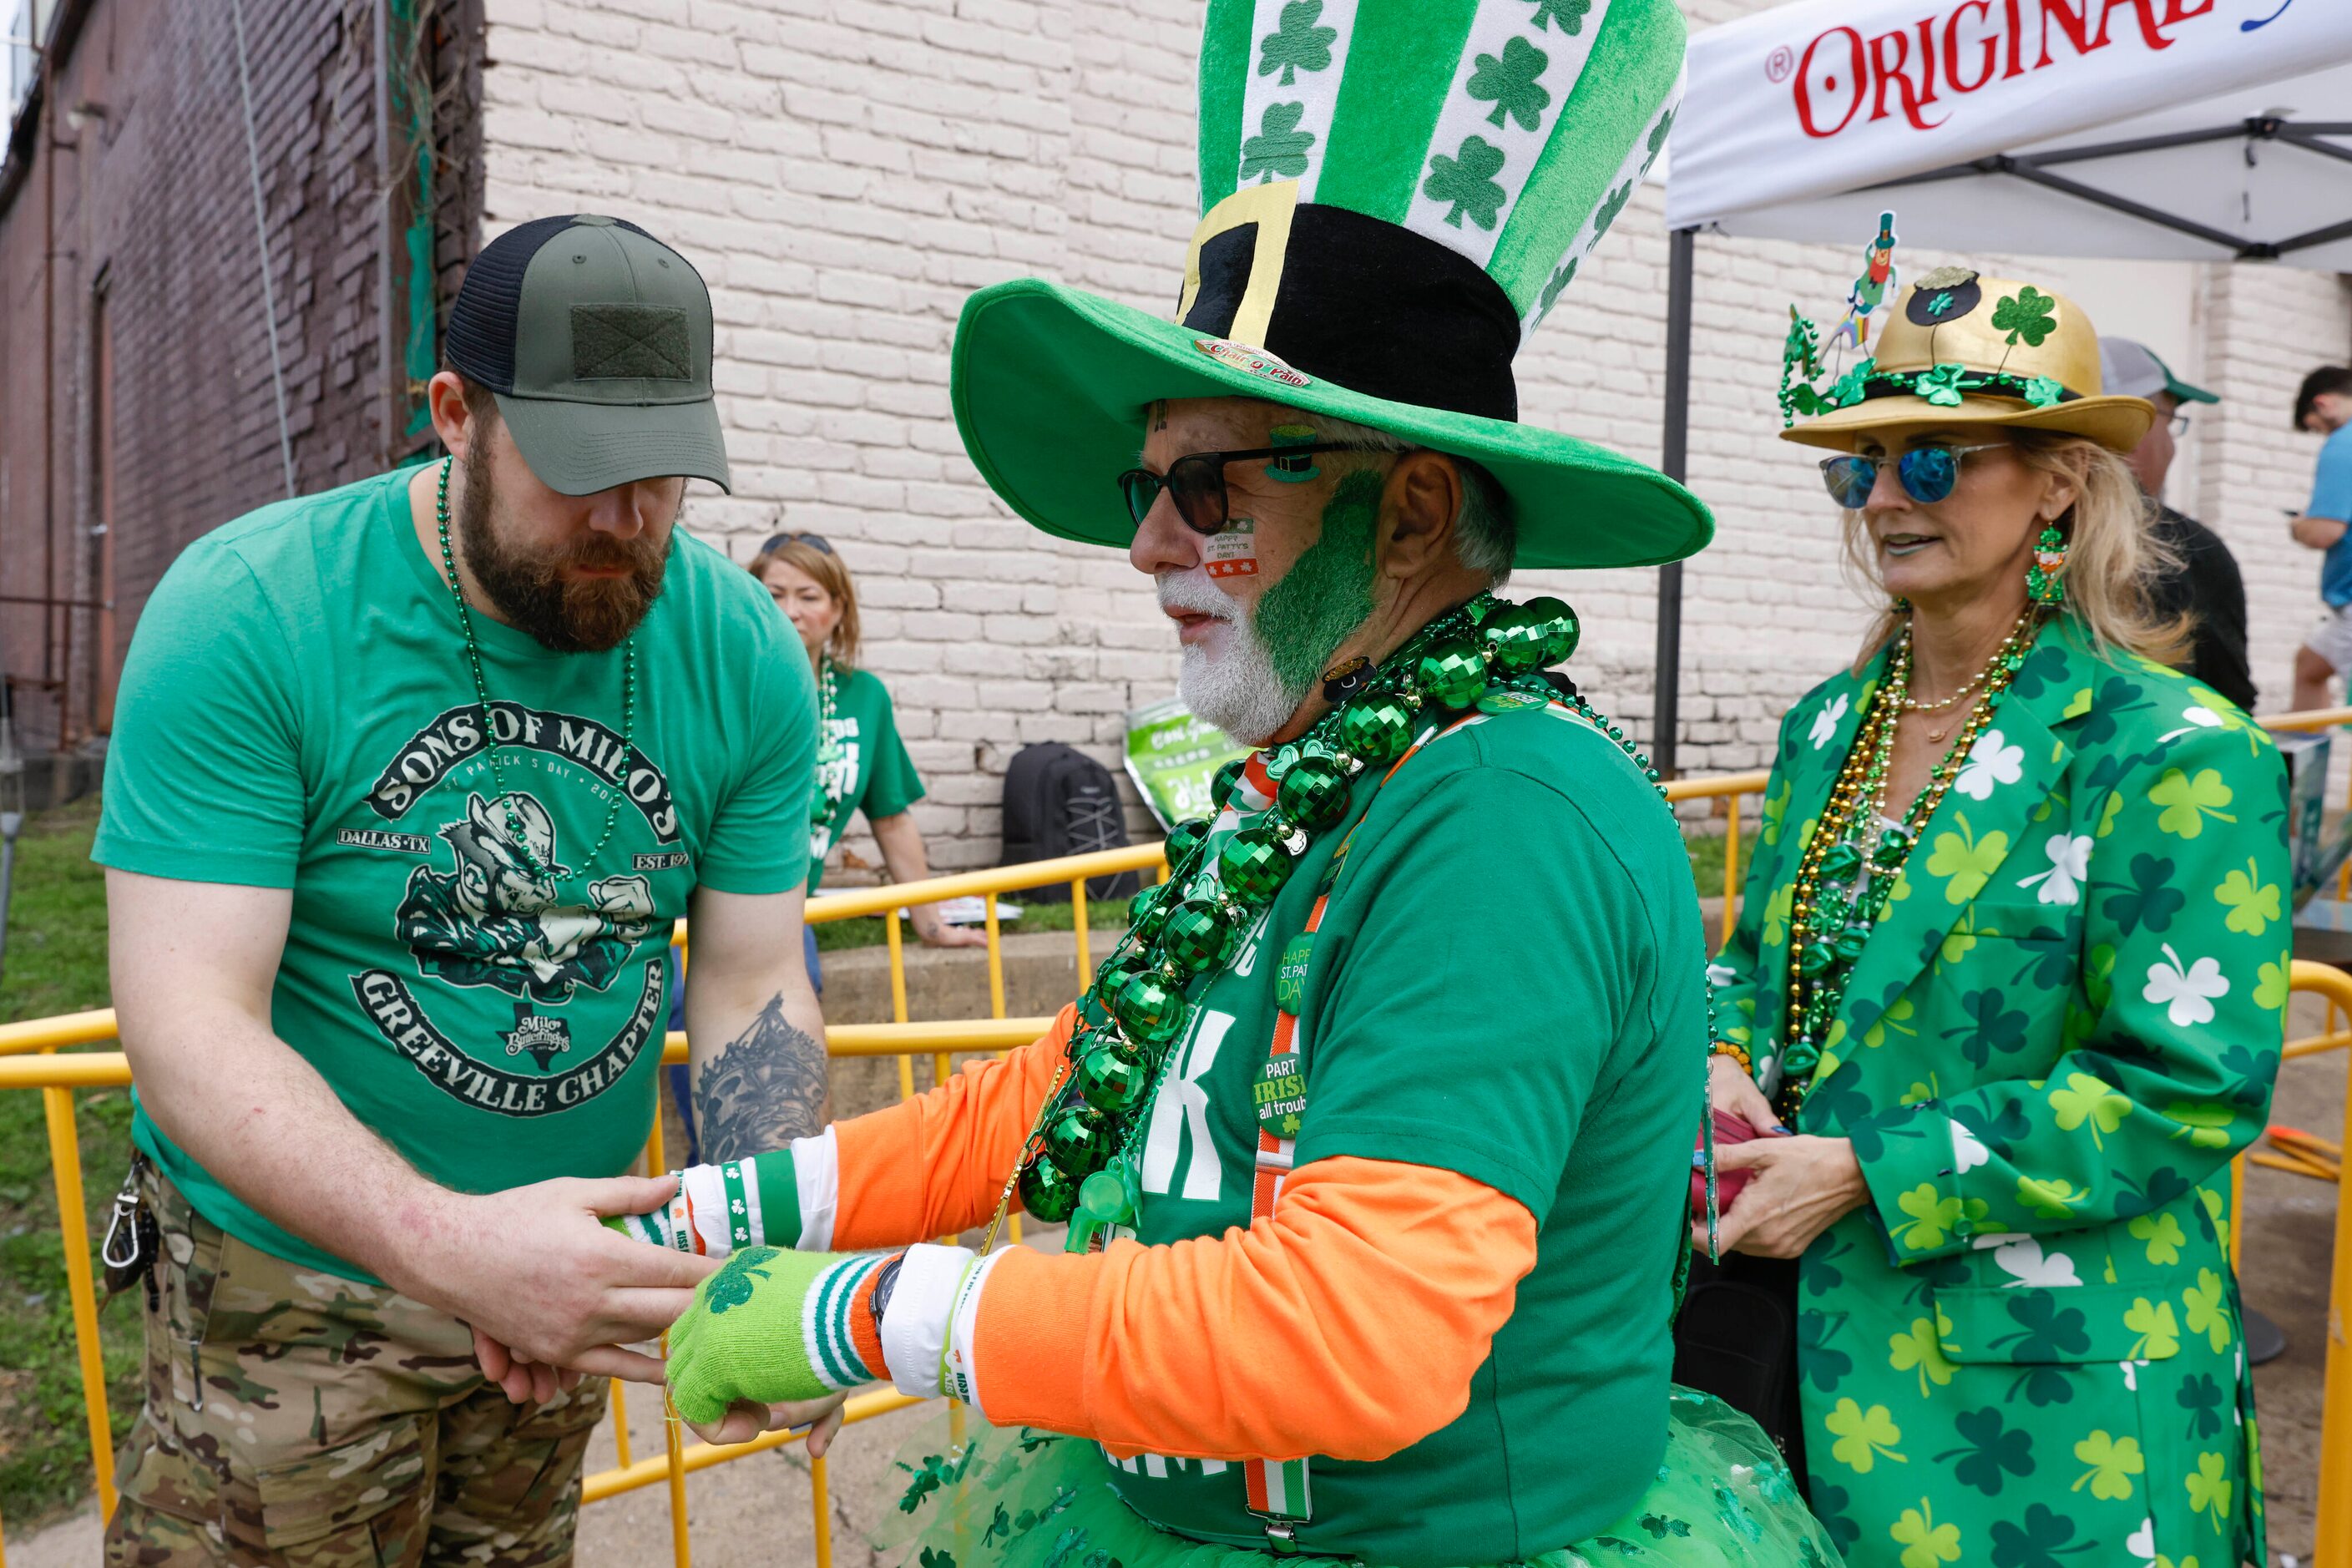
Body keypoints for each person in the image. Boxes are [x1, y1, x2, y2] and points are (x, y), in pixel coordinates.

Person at [609, 6, 1842, 1565]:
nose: (1144, 545)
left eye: (1207, 486)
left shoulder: (1501, 816)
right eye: (1149, 486)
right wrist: (703, 1221)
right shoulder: (1322, 777)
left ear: (1406, 514)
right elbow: (1071, 1082)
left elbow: (1360, 1327)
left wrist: (865, 1314)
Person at [93, 215, 833, 1564]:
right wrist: (451, 1246)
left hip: (564, 1284)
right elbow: (188, 1019)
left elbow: (747, 976)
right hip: (290, 1290)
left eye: (664, 476)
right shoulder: (253, 611)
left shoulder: (743, 650)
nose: (625, 521)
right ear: (454, 414)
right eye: (582, 471)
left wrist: (761, 1247)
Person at [1707, 266, 2285, 1568]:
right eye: (1858, 469)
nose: (1888, 500)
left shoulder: (2174, 751)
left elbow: (2184, 1088)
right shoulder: (1826, 724)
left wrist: (1868, 1171)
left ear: (2061, 483)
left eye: (1935, 461)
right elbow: (1755, 963)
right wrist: (1725, 1057)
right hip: (1806, 1346)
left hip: (2053, 1395)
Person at [754, 530, 986, 965]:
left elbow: (892, 821)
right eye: (774, 594)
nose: (790, 611)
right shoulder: (727, 685)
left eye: (808, 596)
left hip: (787, 908)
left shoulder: (864, 698)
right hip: (705, 896)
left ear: (838, 608)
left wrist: (930, 925)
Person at [2101, 336, 2255, 711]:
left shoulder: (2013, 530)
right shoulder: (2188, 549)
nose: (2171, 447)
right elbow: (2229, 705)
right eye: (2171, 424)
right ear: (2137, 425)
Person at [2289, 365, 2352, 709]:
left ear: (2324, 404)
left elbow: (2325, 531)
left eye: (2315, 428)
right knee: (2309, 666)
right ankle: (2308, 759)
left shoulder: (2343, 442)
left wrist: (2299, 526)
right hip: (2344, 608)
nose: (2321, 436)